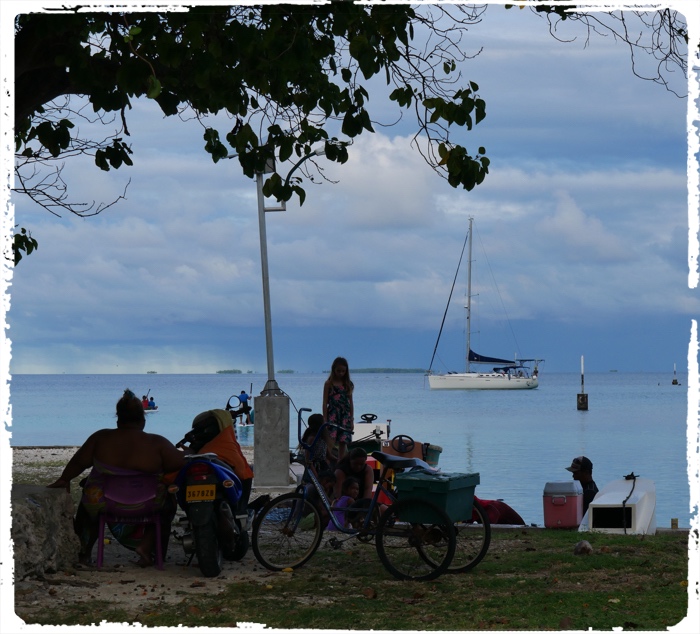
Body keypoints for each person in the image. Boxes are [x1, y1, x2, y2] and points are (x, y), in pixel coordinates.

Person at [47, 389, 186, 567]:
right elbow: (178, 463)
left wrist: (64, 479)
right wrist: (188, 453)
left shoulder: (100, 438)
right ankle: (147, 547)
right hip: (148, 505)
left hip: (105, 503)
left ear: (118, 419)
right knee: (169, 503)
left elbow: (78, 463)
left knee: (87, 503)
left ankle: (84, 552)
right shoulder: (157, 443)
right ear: (143, 420)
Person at [322, 356, 354, 461]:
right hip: (333, 414)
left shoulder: (347, 384)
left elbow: (351, 403)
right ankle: (326, 462)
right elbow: (325, 402)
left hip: (345, 415)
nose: (340, 373)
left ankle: (340, 464)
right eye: (338, 371)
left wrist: (351, 419)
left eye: (343, 371)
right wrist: (325, 419)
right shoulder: (328, 384)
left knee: (343, 441)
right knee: (330, 439)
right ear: (334, 370)